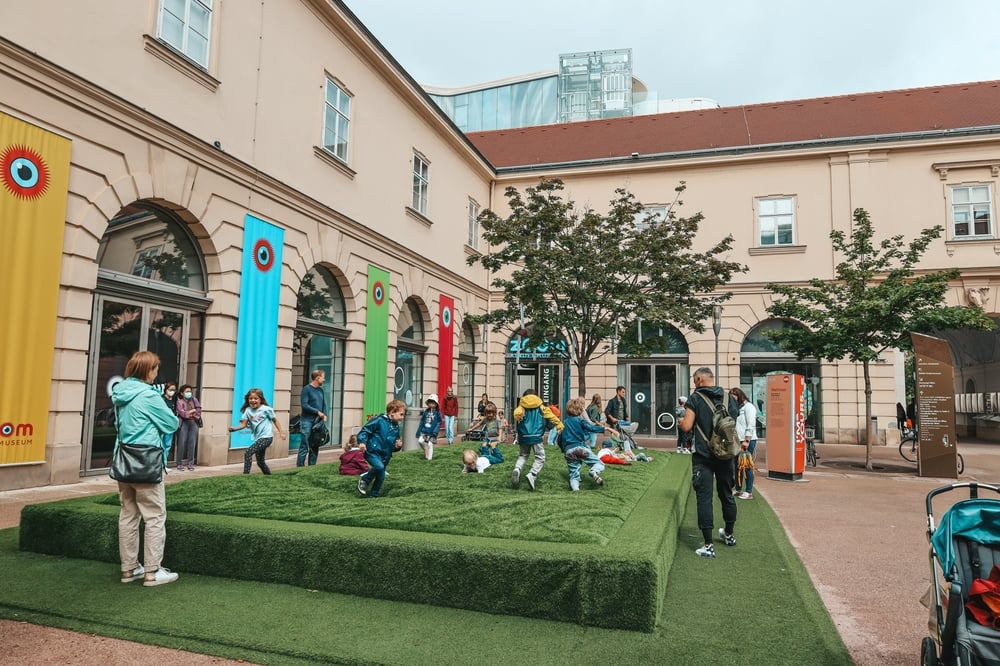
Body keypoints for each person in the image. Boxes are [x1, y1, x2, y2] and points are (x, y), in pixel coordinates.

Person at [111, 350, 180, 587]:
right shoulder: (149, 396)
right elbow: (172, 423)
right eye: (155, 369)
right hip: (146, 460)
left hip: (123, 459)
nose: (156, 373)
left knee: (128, 515)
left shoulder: (120, 393)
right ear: (147, 370)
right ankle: (152, 571)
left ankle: (129, 568)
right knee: (154, 516)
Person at [679, 367, 739, 559]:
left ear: (699, 379)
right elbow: (733, 421)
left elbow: (687, 426)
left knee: (704, 497)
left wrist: (681, 421)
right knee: (726, 494)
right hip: (726, 454)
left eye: (694, 380)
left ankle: (708, 545)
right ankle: (729, 534)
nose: (694, 383)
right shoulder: (728, 398)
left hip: (703, 455)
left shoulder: (695, 398)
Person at [558, 397, 615, 491]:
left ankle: (576, 490)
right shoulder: (580, 420)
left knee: (574, 475)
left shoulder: (565, 422)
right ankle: (593, 471)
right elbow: (591, 428)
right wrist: (605, 428)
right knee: (599, 463)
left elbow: (560, 438)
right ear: (580, 409)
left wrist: (563, 449)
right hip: (580, 448)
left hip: (569, 451)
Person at [511, 389, 563, 491]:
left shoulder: (522, 406)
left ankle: (517, 469)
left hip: (524, 436)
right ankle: (532, 474)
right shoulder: (541, 406)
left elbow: (516, 414)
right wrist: (559, 425)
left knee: (523, 455)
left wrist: (518, 416)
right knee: (540, 457)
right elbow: (551, 416)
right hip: (536, 435)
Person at [228, 388, 285, 475]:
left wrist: (281, 432)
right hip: (258, 438)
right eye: (250, 398)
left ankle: (245, 475)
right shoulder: (248, 410)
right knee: (260, 462)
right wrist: (234, 429)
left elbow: (275, 420)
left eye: (256, 398)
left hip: (267, 437)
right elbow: (243, 424)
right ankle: (269, 476)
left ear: (260, 399)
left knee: (248, 452)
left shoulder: (266, 409)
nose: (253, 400)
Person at [356, 400, 405, 498]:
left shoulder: (396, 427)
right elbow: (365, 430)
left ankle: (373, 495)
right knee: (379, 467)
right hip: (372, 451)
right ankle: (365, 480)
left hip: (385, 456)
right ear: (392, 412)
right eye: (401, 414)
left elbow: (392, 445)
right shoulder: (379, 420)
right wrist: (362, 442)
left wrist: (397, 446)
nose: (402, 417)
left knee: (381, 477)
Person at [730, 387, 758, 500]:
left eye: (734, 396)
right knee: (738, 466)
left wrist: (747, 440)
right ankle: (738, 489)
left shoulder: (749, 407)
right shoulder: (737, 408)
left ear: (739, 396)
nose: (732, 398)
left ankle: (748, 491)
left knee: (746, 465)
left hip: (747, 440)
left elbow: (751, 424)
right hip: (737, 440)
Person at [298, 369, 327, 467]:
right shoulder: (307, 389)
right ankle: (300, 467)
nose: (324, 380)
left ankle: (312, 467)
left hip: (317, 422)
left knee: (315, 444)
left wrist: (324, 414)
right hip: (307, 421)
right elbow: (304, 405)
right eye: (323, 377)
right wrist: (317, 412)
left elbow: (323, 404)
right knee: (304, 444)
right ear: (317, 378)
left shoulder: (320, 390)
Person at [174, 384, 201, 471]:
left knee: (192, 443)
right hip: (183, 423)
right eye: (187, 391)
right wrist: (191, 411)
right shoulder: (179, 402)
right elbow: (182, 413)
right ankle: (179, 463)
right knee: (181, 443)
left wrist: (191, 413)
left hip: (193, 423)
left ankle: (190, 463)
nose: (189, 393)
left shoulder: (194, 400)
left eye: (190, 391)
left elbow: (198, 410)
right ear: (182, 393)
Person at [416, 394, 442, 460]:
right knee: (420, 441)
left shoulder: (437, 412)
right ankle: (425, 449)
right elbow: (422, 421)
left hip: (432, 432)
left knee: (430, 444)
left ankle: (429, 458)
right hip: (424, 431)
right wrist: (419, 431)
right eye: (430, 402)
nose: (431, 404)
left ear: (436, 404)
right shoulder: (426, 411)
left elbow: (439, 422)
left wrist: (435, 431)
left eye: (433, 402)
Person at [161, 382, 178, 456]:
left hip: (170, 424)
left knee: (168, 445)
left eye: (174, 390)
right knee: (161, 444)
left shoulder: (175, 400)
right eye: (170, 390)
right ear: (166, 390)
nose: (172, 392)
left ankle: (165, 461)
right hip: (162, 424)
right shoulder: (161, 399)